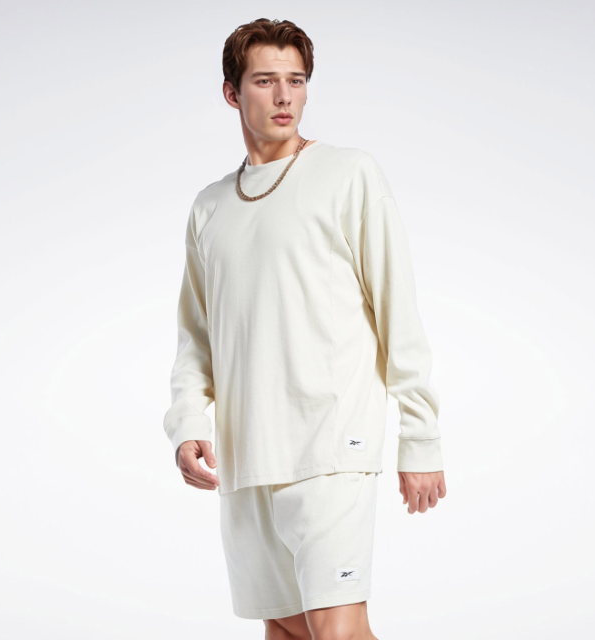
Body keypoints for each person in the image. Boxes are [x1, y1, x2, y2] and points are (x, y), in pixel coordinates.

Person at [163, 17, 447, 640]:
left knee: (337, 630)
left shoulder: (349, 174)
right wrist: (187, 423)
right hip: (245, 459)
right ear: (232, 92)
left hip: (331, 446)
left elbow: (398, 312)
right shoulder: (210, 207)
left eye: (296, 80)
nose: (284, 96)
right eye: (265, 80)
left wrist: (420, 439)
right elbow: (196, 339)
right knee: (288, 631)